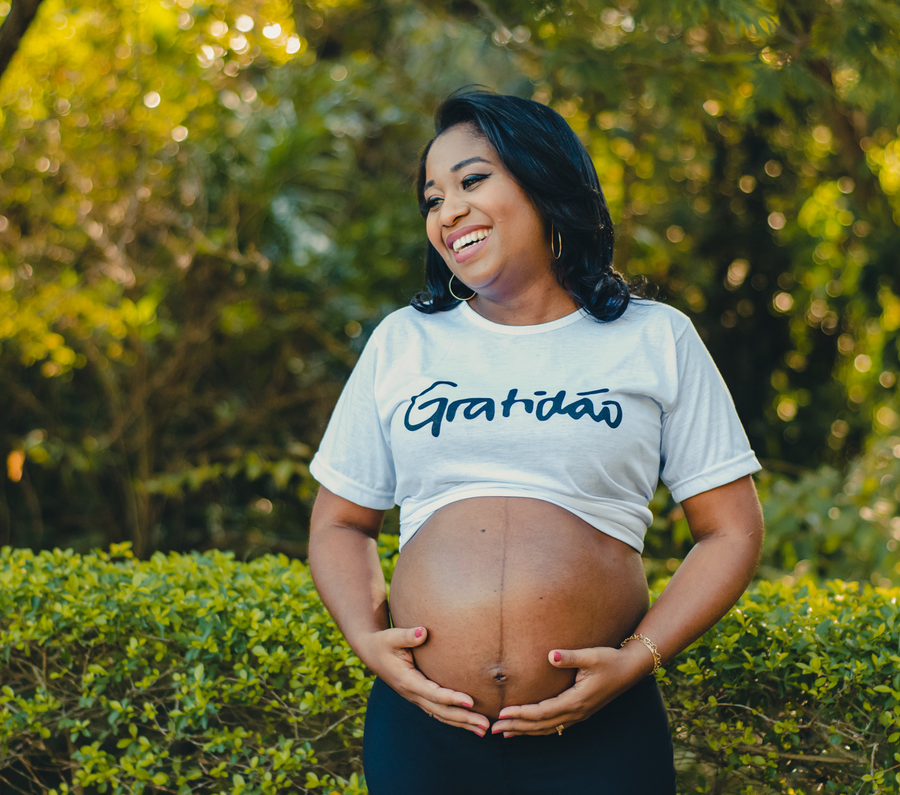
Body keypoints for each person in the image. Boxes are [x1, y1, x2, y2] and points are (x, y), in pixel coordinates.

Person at [307, 88, 764, 794]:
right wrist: (368, 642)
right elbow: (340, 521)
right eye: (432, 198)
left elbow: (731, 531)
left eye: (471, 180)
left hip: (600, 736)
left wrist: (638, 658)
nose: (447, 210)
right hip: (426, 734)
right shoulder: (406, 341)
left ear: (543, 179)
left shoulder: (654, 337)